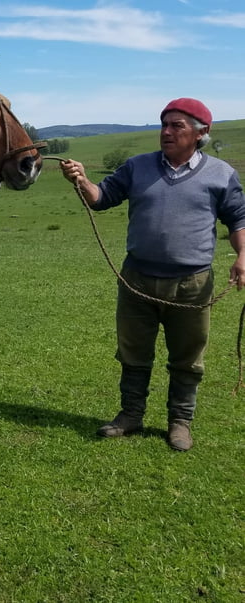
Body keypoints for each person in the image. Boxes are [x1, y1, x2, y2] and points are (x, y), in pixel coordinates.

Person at [60, 98, 245, 451]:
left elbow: (238, 219)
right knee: (133, 353)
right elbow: (102, 197)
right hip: (137, 279)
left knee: (187, 358)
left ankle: (180, 422)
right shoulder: (137, 167)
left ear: (201, 132)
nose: (166, 132)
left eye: (177, 125)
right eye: (164, 124)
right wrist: (82, 180)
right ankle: (131, 415)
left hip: (192, 284)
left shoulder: (221, 174)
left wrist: (242, 256)